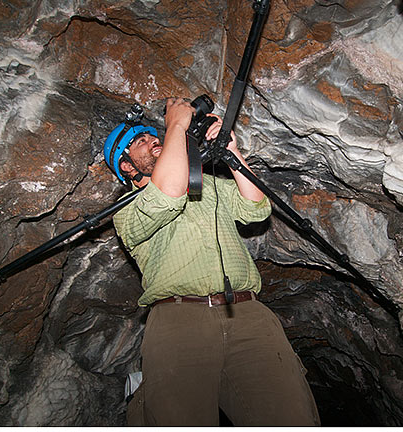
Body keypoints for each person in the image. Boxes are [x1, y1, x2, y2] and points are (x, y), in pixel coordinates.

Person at [104, 97, 320, 426]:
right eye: (138, 142)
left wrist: (230, 152)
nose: (152, 140)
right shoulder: (124, 210)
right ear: (127, 167)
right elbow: (169, 194)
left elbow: (256, 207)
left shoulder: (208, 184)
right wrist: (177, 123)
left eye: (152, 135)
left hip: (246, 313)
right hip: (178, 322)